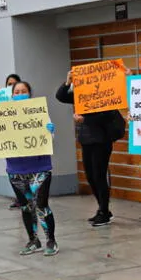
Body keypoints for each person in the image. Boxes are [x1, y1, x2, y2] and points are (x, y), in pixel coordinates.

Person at [0, 82, 58, 256]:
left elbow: (49, 137)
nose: (20, 94)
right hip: (15, 169)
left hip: (39, 167)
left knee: (42, 205)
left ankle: (51, 240)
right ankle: (33, 240)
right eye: (17, 91)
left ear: (30, 93)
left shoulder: (38, 112)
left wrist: (50, 131)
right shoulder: (2, 114)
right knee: (26, 206)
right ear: (11, 95)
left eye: (24, 91)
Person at [56, 70, 118, 227]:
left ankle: (104, 211)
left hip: (101, 139)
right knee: (90, 176)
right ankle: (102, 208)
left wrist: (85, 119)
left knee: (99, 175)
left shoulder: (105, 95)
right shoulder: (81, 96)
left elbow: (108, 115)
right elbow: (61, 96)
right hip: (86, 140)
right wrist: (68, 81)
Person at [0, 73, 22, 209]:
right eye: (9, 84)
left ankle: (27, 197)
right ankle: (19, 198)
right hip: (10, 142)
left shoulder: (26, 102)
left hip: (24, 142)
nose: (11, 86)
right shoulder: (3, 101)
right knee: (12, 171)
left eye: (14, 84)